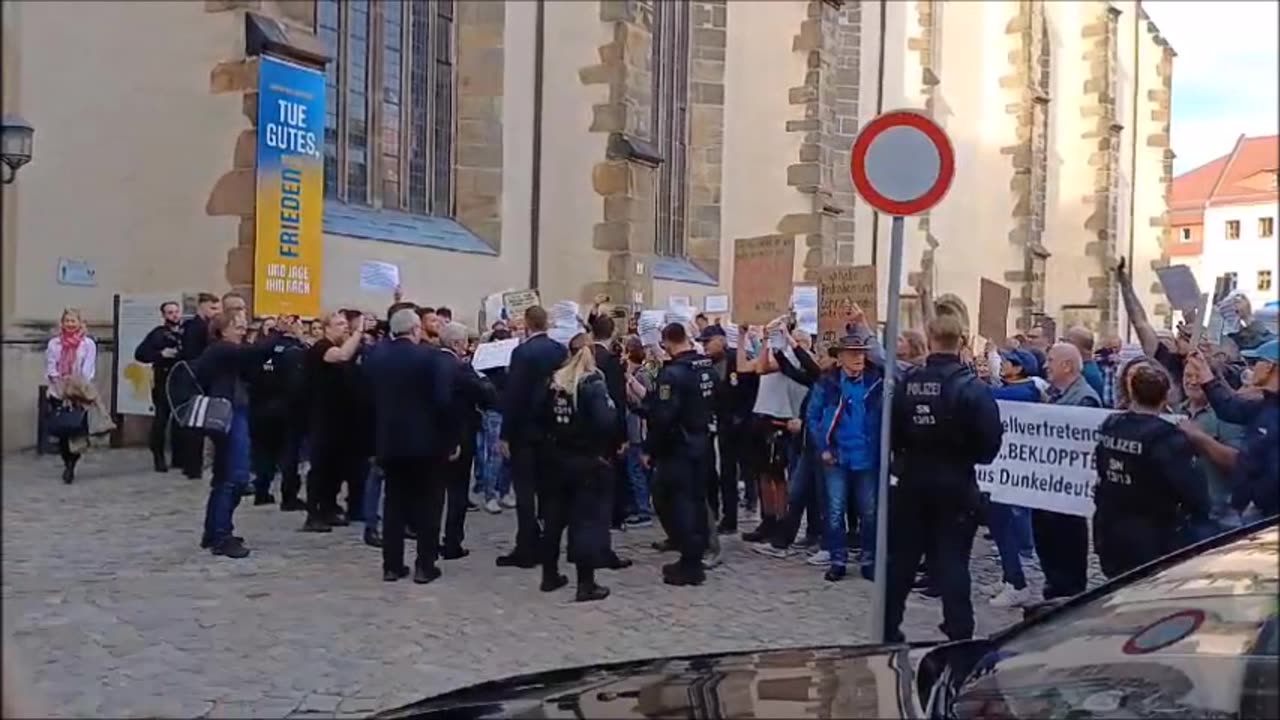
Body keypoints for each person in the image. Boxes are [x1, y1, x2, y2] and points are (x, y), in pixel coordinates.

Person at [885, 314, 1004, 643]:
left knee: (902, 561)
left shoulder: (909, 382)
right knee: (953, 561)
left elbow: (891, 433)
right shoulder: (972, 388)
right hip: (955, 481)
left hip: (912, 481)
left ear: (930, 338)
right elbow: (991, 441)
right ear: (961, 341)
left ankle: (888, 625)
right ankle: (959, 629)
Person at [1093, 363, 1209, 579]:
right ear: (1166, 397)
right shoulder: (1166, 437)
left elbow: (1100, 466)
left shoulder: (1110, 425)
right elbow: (1192, 490)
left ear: (1132, 392)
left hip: (1110, 529)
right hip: (1151, 534)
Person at [365, 309, 453, 583]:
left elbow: (366, 400)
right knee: (429, 504)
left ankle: (392, 565)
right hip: (427, 443)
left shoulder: (376, 356)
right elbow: (442, 401)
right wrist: (449, 440)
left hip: (390, 441)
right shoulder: (430, 357)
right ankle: (425, 565)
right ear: (416, 330)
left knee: (394, 503)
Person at [538, 335, 616, 602]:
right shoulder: (592, 381)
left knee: (554, 519)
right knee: (585, 521)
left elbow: (542, 417)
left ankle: (549, 575)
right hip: (586, 459)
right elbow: (605, 421)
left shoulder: (555, 381)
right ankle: (586, 583)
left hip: (557, 457)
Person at [804, 330, 885, 582]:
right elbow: (813, 417)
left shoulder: (876, 382)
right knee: (835, 510)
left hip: (867, 456)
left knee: (869, 511)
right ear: (840, 358)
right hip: (837, 456)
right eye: (852, 354)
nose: (858, 358)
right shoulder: (827, 383)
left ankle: (869, 559)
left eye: (861, 353)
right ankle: (838, 559)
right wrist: (824, 447)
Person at [643, 322, 718, 586]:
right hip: (702, 440)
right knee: (696, 501)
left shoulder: (673, 374)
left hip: (679, 446)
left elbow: (664, 417)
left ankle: (689, 563)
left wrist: (649, 449)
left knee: (679, 503)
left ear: (667, 343)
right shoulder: (705, 366)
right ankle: (694, 556)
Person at [193, 309, 273, 558]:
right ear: (223, 329)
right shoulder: (222, 349)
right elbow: (257, 352)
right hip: (227, 415)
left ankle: (214, 531)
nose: (243, 329)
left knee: (223, 476)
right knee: (234, 477)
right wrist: (274, 333)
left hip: (234, 411)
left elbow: (254, 366)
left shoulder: (227, 352)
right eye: (238, 325)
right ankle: (221, 536)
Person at [497, 306, 569, 568]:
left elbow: (514, 396)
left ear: (527, 323)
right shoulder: (559, 350)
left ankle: (526, 546)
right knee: (549, 492)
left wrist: (505, 434)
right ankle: (548, 544)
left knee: (525, 493)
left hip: (525, 431)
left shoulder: (522, 352)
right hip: (552, 429)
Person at [1034, 342, 1101, 600]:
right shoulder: (1054, 394)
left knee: (1066, 548)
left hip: (1067, 493)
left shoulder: (1085, 398)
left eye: (1050, 360)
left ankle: (1068, 595)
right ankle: (1054, 586)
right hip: (1048, 487)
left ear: (1067, 365)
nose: (1045, 366)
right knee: (1048, 544)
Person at [1185, 339, 1280, 519]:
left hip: (1266, 518)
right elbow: (1230, 408)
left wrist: (1254, 500)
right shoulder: (1265, 405)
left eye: (1255, 362)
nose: (1251, 369)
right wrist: (1205, 373)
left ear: (1269, 366)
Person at [984, 348, 1042, 608]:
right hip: (1001, 468)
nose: (1002, 364)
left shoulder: (1024, 391)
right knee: (998, 522)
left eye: (1006, 361)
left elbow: (990, 396)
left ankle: (1016, 581)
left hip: (1013, 472)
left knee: (1008, 524)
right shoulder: (1016, 388)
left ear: (1018, 368)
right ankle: (1009, 574)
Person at [300, 311, 365, 533]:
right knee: (320, 468)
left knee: (335, 469)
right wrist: (358, 332)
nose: (344, 328)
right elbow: (342, 356)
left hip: (341, 421)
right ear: (326, 328)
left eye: (346, 324)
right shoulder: (321, 348)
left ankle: (328, 508)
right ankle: (313, 513)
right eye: (339, 324)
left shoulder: (345, 347)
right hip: (322, 419)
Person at [437, 321, 498, 560]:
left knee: (432, 493)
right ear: (455, 343)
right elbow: (487, 395)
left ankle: (430, 541)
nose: (467, 347)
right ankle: (452, 542)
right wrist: (481, 374)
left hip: (433, 435)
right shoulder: (460, 368)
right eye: (465, 343)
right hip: (459, 435)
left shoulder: (429, 361)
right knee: (457, 492)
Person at [246, 314, 308, 511]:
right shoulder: (295, 350)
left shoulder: (260, 349)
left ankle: (262, 491)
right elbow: (298, 383)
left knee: (264, 451)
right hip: (286, 408)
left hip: (260, 406)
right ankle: (289, 496)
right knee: (289, 453)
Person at [1176, 370, 1246, 540]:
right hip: (1184, 516)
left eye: (1197, 376)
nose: (1192, 381)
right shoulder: (1175, 411)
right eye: (1188, 376)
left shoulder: (1228, 416)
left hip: (1220, 519)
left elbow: (1237, 463)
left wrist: (1200, 438)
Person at [44, 308, 99, 484]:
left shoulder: (87, 344)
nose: (70, 324)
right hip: (58, 391)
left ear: (80, 323)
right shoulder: (54, 343)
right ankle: (66, 460)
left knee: (76, 430)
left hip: (78, 391)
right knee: (62, 430)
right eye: (67, 321)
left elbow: (88, 369)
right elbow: (51, 365)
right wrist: (59, 383)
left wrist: (77, 386)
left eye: (73, 321)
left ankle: (71, 465)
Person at [133, 300, 184, 472]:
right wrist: (160, 354)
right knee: (161, 420)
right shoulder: (158, 334)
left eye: (176, 312)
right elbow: (140, 354)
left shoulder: (185, 333)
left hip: (182, 381)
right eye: (170, 312)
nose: (174, 315)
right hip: (163, 381)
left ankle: (179, 457)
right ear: (163, 315)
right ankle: (158, 456)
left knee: (181, 420)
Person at [177, 293, 221, 479]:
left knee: (195, 422)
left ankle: (191, 465)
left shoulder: (200, 326)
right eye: (212, 308)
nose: (216, 312)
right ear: (201, 306)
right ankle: (192, 466)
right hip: (195, 377)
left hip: (196, 375)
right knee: (196, 422)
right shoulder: (197, 327)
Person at [475, 326, 514, 513]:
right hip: (494, 410)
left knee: (508, 455)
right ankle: (490, 494)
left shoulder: (513, 362)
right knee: (495, 454)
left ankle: (504, 491)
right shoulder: (488, 362)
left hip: (510, 410)